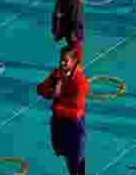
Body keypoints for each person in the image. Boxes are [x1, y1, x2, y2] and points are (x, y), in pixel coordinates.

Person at [37, 46, 89, 175]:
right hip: (59, 121)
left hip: (73, 123)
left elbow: (76, 110)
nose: (62, 63)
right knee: (65, 152)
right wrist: (50, 92)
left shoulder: (80, 82)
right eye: (61, 60)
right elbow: (40, 88)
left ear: (74, 61)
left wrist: (56, 100)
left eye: (65, 61)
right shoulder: (57, 73)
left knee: (76, 156)